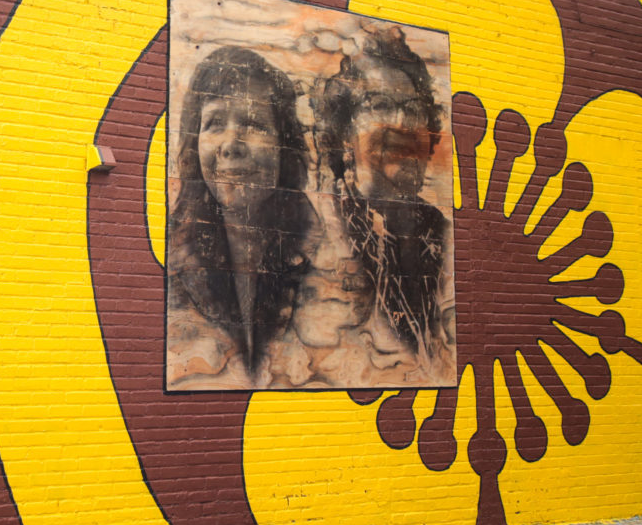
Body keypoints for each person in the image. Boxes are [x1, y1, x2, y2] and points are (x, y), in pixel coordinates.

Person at [166, 46, 312, 389]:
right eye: (214, 123)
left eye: (253, 123)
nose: (231, 143)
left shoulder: (332, 261)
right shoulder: (168, 258)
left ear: (284, 146)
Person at [318, 26, 452, 368]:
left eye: (413, 110)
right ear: (346, 134)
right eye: (378, 105)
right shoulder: (320, 230)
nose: (402, 123)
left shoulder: (442, 234)